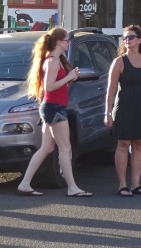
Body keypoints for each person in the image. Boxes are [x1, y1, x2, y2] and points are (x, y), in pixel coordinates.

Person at [16, 28, 93, 197]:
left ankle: (25, 183)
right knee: (65, 147)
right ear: (58, 42)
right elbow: (49, 87)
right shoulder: (52, 61)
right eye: (66, 40)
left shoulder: (55, 60)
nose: (68, 43)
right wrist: (69, 76)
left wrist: (70, 78)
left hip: (52, 106)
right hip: (54, 107)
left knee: (47, 147)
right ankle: (72, 187)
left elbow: (57, 87)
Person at [104, 25, 141, 197]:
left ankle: (136, 184)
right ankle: (122, 185)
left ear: (139, 39)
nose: (127, 40)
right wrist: (107, 112)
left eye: (131, 37)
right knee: (123, 144)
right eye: (125, 38)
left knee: (139, 144)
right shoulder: (120, 61)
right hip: (125, 107)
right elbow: (111, 89)